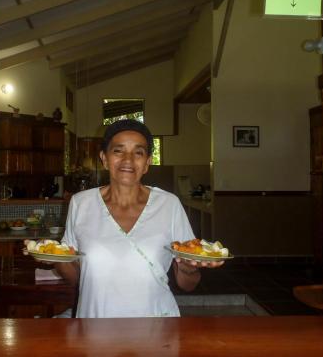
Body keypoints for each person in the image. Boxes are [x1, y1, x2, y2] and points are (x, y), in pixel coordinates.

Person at [55, 119, 223, 318]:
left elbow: (188, 285)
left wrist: (187, 268)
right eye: (118, 151)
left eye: (138, 152)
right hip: (95, 325)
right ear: (104, 158)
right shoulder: (81, 203)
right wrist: (56, 259)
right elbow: (76, 279)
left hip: (157, 327)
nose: (128, 159)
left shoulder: (169, 205)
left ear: (147, 163)